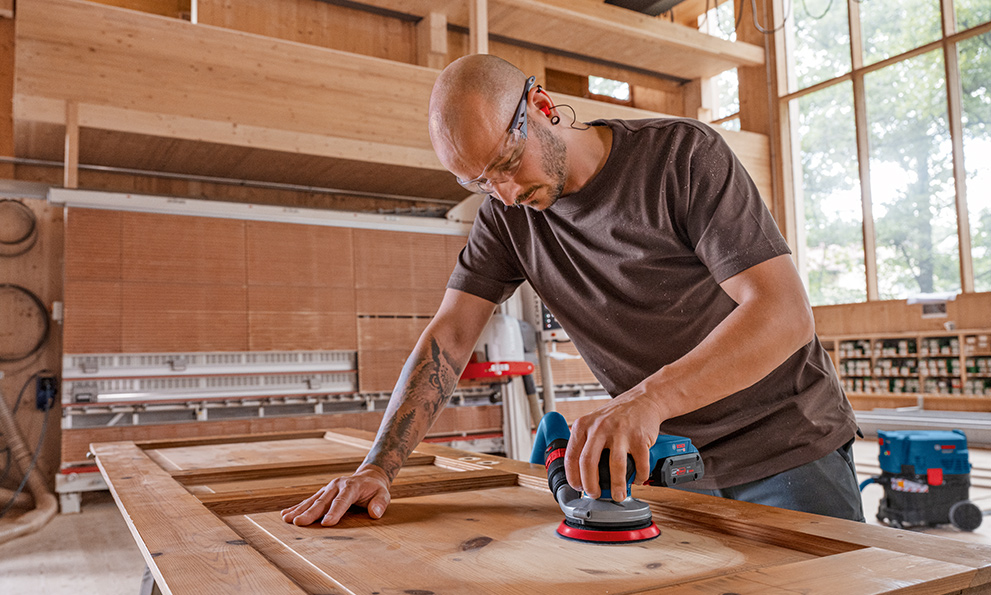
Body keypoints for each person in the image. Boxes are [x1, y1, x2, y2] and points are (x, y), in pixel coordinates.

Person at [281, 54, 865, 528]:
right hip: (670, 464)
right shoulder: (506, 216)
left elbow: (784, 312)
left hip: (787, 451)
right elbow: (451, 335)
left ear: (541, 107)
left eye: (508, 162)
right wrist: (380, 467)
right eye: (480, 181)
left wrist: (648, 401)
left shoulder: (682, 156)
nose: (505, 193)